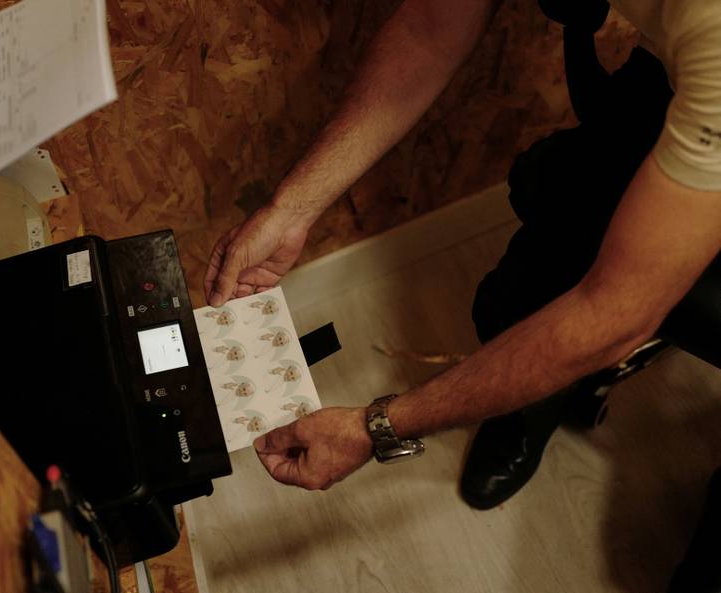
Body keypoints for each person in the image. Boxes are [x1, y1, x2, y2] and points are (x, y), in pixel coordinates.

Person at [204, 0, 721, 589]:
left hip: (710, 86)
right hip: (673, 78)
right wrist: (292, 207)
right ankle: (529, 405)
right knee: (519, 292)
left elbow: (613, 312)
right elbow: (431, 26)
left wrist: (377, 426)